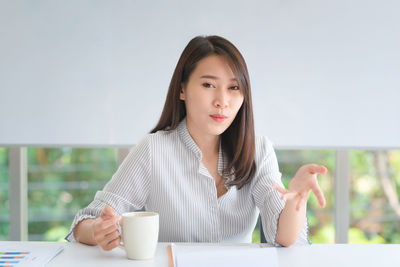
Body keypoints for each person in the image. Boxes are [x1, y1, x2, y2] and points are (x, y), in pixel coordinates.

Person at [65, 35, 327, 250]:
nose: (222, 101)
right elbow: (85, 221)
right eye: (208, 85)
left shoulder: (258, 150)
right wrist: (99, 230)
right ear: (182, 90)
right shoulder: (154, 150)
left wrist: (296, 199)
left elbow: (283, 237)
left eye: (234, 88)